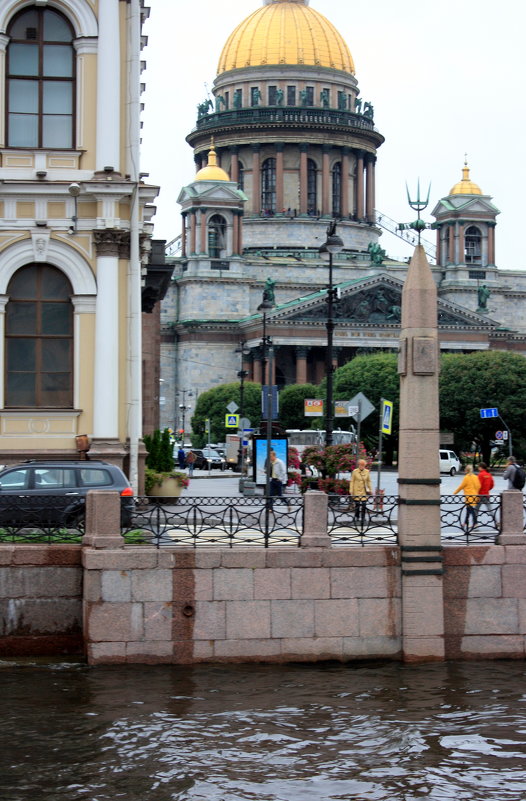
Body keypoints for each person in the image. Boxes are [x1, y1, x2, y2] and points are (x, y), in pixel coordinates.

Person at [453, 465, 481, 530]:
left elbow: (461, 486)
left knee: (471, 510)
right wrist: (475, 492)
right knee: (468, 510)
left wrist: (455, 492)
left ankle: (475, 523)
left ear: (466, 470)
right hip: (474, 496)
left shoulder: (466, 477)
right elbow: (479, 486)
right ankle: (465, 522)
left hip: (469, 497)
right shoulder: (475, 477)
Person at [350, 459, 372, 524]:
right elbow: (352, 481)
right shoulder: (355, 471)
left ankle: (363, 517)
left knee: (364, 504)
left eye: (363, 465)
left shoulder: (367, 472)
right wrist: (351, 490)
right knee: (357, 504)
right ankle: (357, 516)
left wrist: (370, 490)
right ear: (359, 465)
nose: (362, 466)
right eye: (361, 465)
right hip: (356, 490)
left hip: (363, 491)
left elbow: (368, 481)